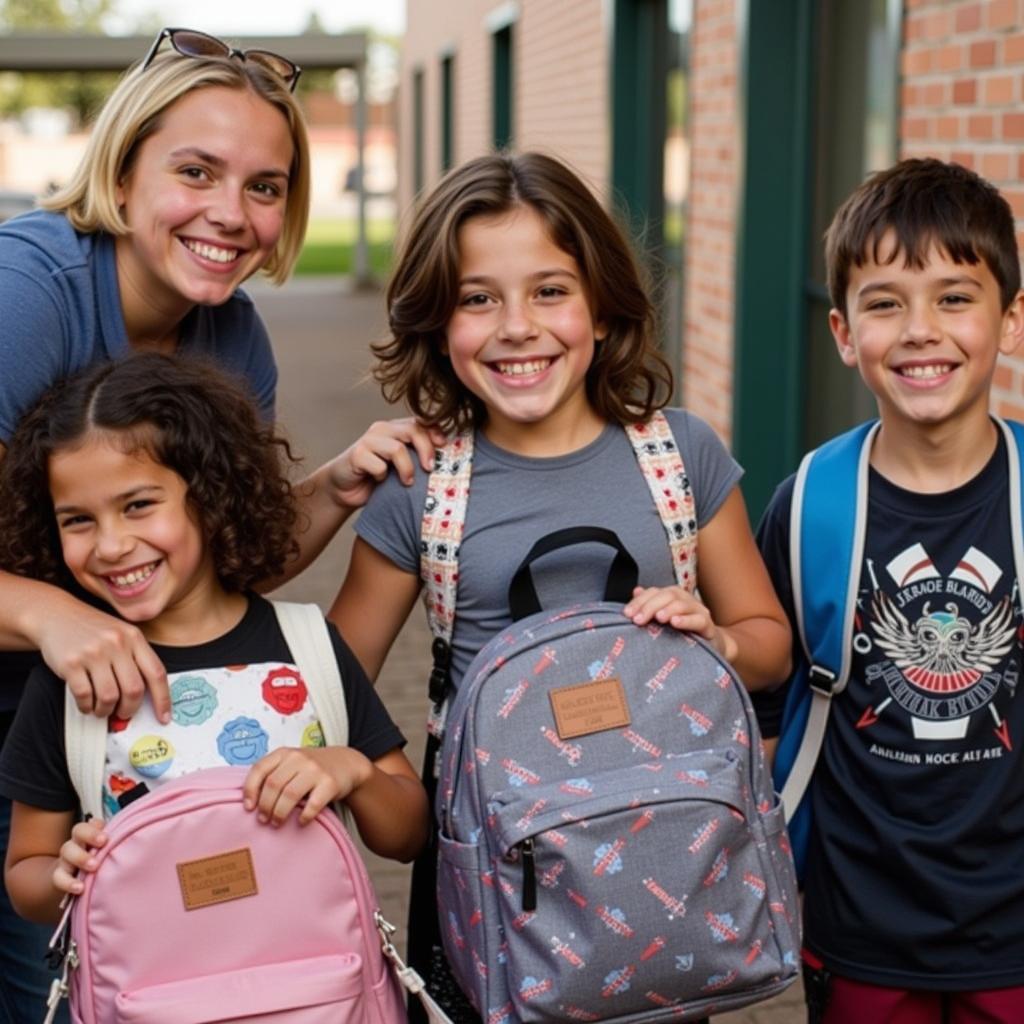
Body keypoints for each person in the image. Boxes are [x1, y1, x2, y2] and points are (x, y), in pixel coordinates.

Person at [0, 29, 436, 1019]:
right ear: (122, 165)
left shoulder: (231, 330)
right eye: (196, 171)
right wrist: (53, 617)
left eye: (266, 186)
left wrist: (333, 483)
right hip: (60, 712)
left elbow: (233, 549)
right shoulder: (26, 297)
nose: (231, 215)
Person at [327, 151, 793, 1021]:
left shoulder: (679, 456)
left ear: (604, 309)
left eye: (550, 290)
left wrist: (721, 639)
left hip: (661, 853)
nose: (516, 327)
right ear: (437, 322)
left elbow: (768, 647)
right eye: (477, 298)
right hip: (499, 867)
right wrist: (397, 795)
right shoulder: (423, 483)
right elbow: (334, 683)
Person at [0, 352, 428, 929]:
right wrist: (66, 877)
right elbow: (26, 870)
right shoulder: (72, 679)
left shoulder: (306, 646)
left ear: (210, 493)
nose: (110, 545)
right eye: (77, 520)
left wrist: (351, 769)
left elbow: (407, 834)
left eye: (138, 506)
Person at [754, 158, 1024, 1023]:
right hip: (857, 921)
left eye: (954, 297)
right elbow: (765, 714)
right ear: (842, 331)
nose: (919, 330)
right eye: (884, 303)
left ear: (1008, 320)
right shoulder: (809, 508)